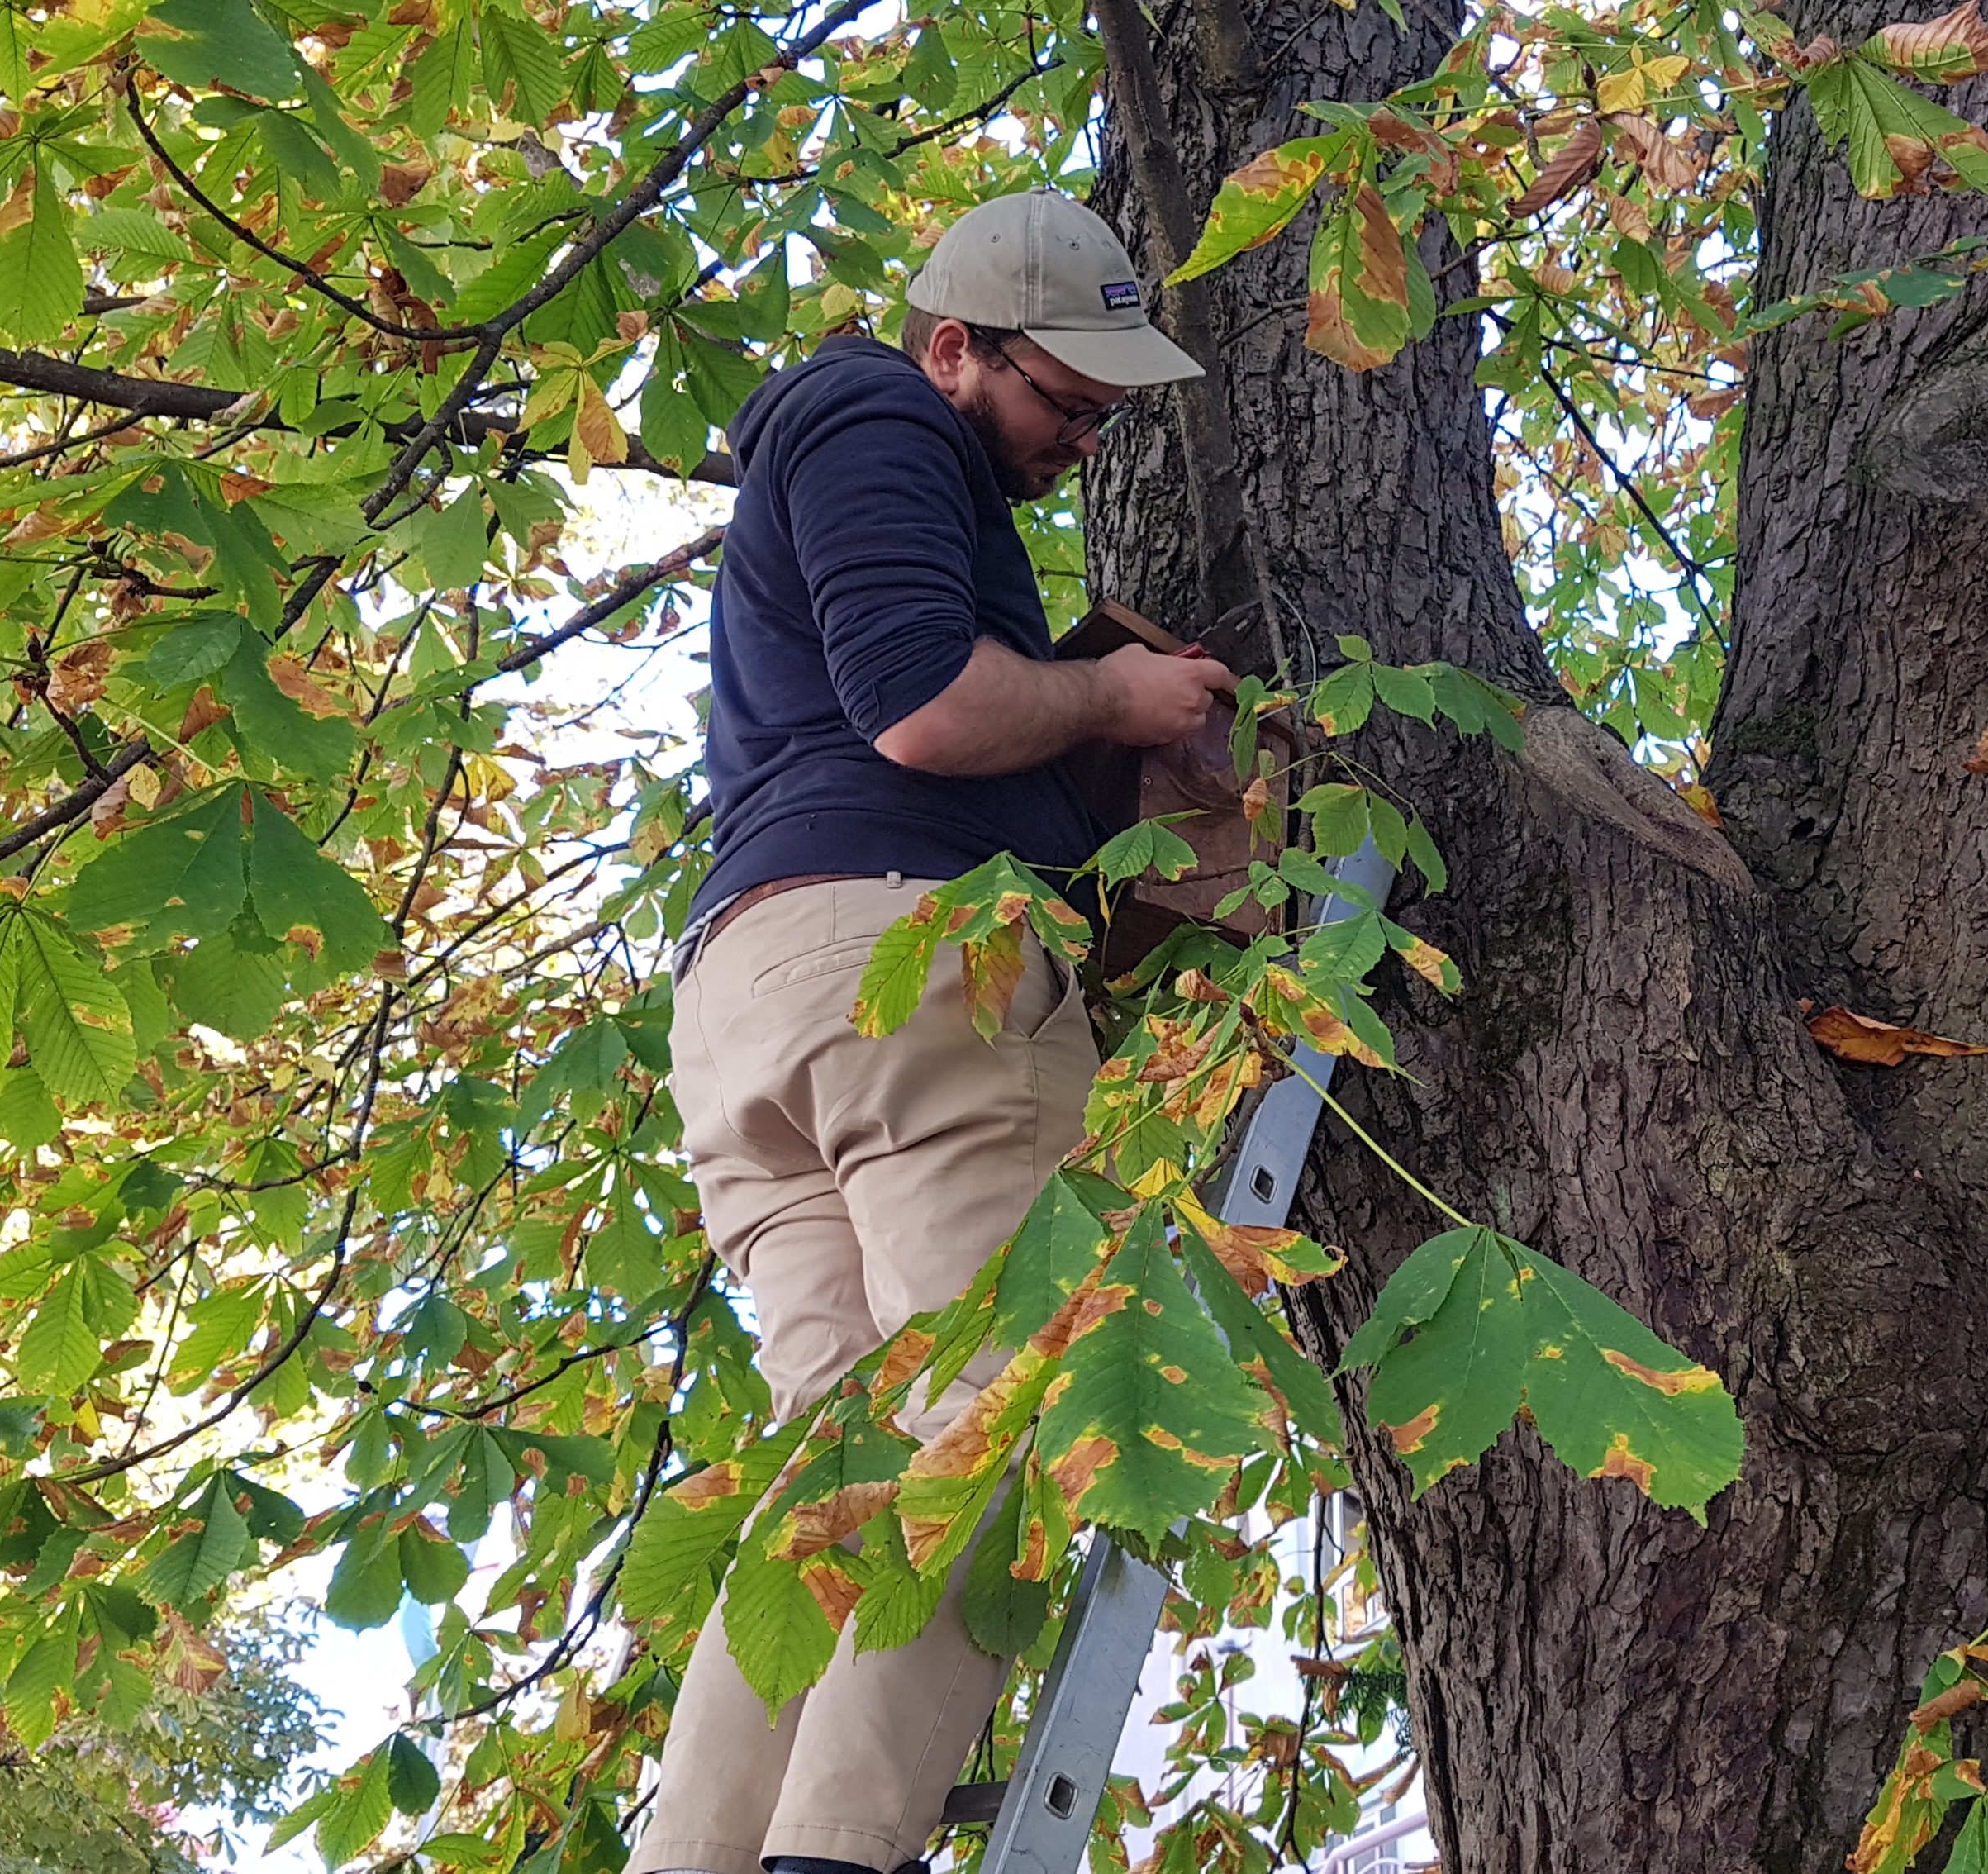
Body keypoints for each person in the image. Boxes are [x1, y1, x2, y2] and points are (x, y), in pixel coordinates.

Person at [625, 190, 1234, 1874]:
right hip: (908, 957)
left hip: (756, 1003)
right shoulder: (878, 411)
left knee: (838, 1469)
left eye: (1104, 420)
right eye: (1065, 404)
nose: (1083, 448)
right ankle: (839, 1849)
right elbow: (923, 706)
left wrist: (1111, 779)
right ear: (953, 347)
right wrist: (1116, 696)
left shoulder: (863, 456)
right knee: (1007, 1404)